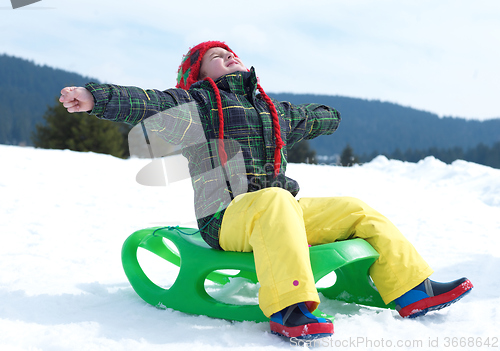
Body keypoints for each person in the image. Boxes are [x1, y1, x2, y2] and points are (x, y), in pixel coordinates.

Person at [60, 41, 473, 340]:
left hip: (279, 215)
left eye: (231, 52)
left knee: (353, 209)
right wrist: (95, 97)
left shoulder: (270, 109)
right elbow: (144, 102)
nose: (229, 56)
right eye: (216, 57)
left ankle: (412, 289)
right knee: (275, 200)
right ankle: (289, 307)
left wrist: (329, 117)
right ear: (199, 74)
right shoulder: (195, 106)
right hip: (226, 218)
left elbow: (316, 118)